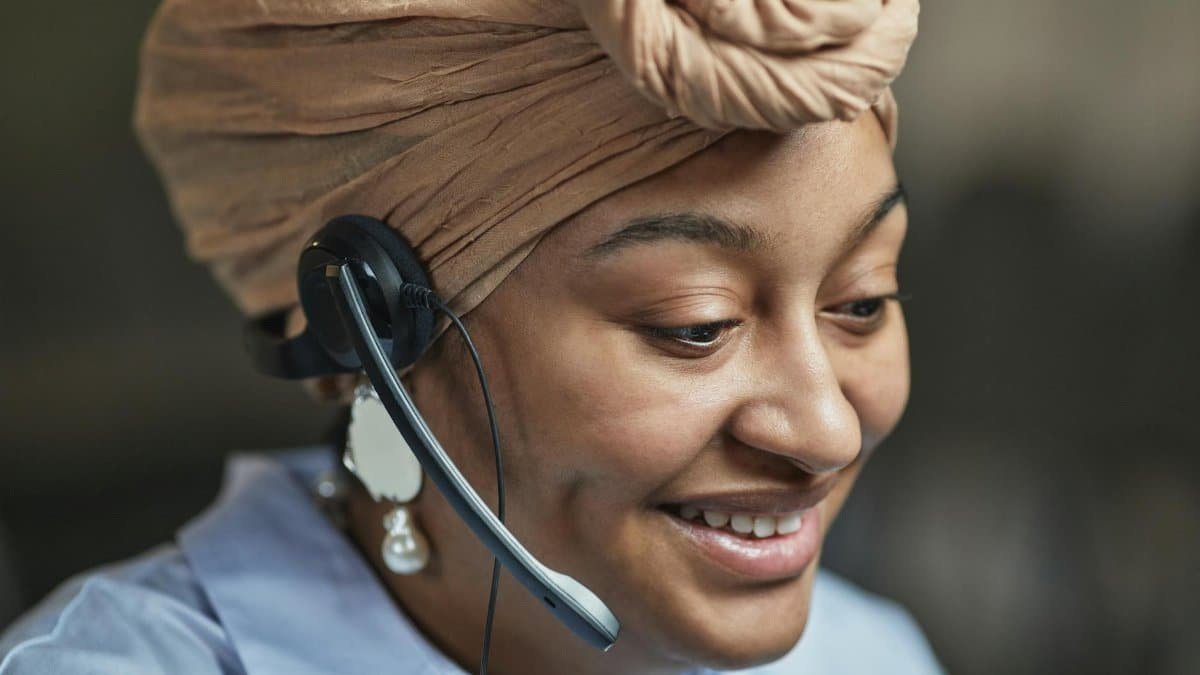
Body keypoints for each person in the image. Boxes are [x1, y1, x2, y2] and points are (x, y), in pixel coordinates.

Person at [0, 1, 942, 673]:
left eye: (862, 301)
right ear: (364, 324)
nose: (827, 432)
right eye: (696, 325)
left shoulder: (872, 655)